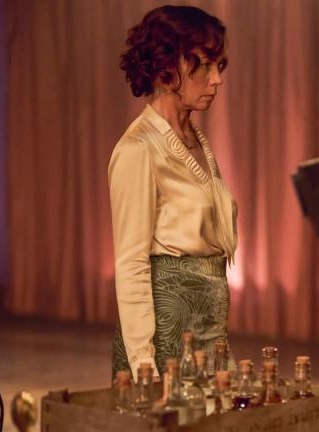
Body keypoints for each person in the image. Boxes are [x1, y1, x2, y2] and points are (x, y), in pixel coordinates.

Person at [109, 5, 237, 380]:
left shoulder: (194, 140)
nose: (216, 79)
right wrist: (143, 364)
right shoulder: (139, 149)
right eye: (204, 65)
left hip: (208, 334)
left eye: (219, 66)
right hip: (164, 343)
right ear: (167, 68)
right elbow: (131, 264)